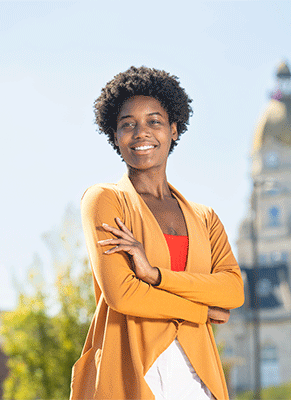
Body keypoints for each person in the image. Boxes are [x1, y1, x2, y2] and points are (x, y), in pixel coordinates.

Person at [70, 66, 244, 400]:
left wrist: (155, 275)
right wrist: (200, 311)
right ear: (114, 134)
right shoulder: (105, 200)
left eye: (154, 121)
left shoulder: (205, 218)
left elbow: (233, 291)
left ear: (174, 130)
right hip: (132, 371)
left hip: (199, 376)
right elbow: (123, 294)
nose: (140, 133)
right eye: (127, 124)